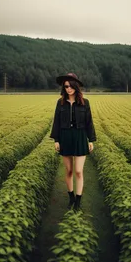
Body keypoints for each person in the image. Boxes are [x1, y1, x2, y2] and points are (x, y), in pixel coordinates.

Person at [50, 73, 96, 211]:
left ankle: (78, 200)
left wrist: (91, 140)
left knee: (78, 171)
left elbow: (89, 122)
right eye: (66, 86)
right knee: (69, 171)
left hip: (80, 136)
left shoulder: (85, 102)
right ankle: (71, 198)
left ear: (76, 86)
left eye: (70, 86)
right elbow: (56, 121)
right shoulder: (60, 102)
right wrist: (56, 140)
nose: (68, 89)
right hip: (65, 137)